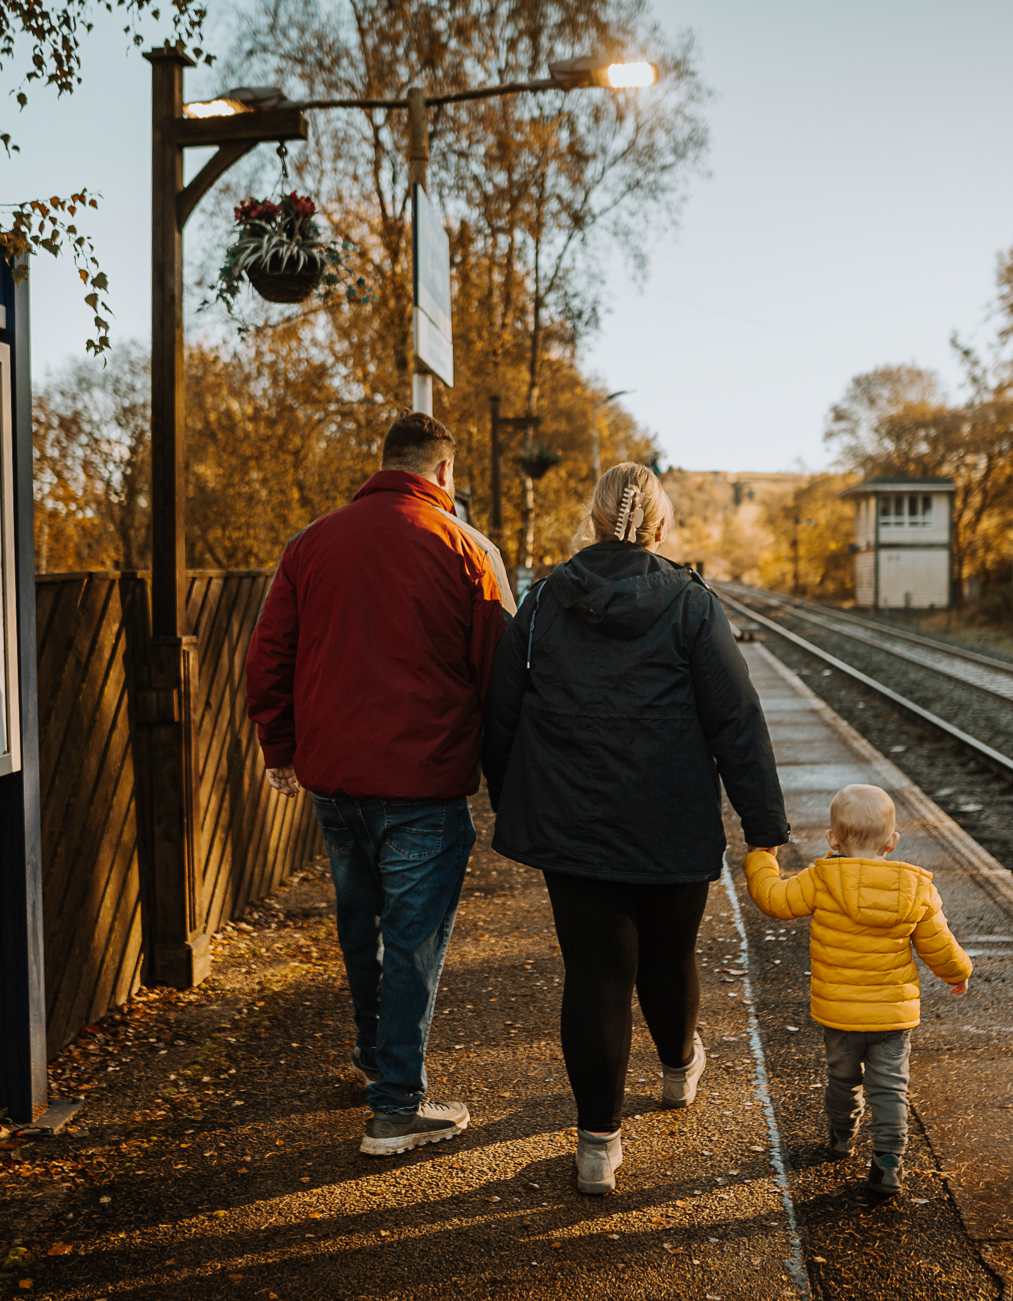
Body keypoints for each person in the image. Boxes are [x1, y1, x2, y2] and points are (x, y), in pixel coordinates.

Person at [482, 462, 788, 1196]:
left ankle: (597, 1150)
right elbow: (736, 720)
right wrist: (763, 826)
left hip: (574, 825)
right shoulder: (691, 604)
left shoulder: (547, 600)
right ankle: (680, 1070)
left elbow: (501, 709)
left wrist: (513, 797)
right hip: (672, 821)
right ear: (659, 525)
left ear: (591, 521)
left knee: (594, 973)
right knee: (667, 954)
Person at [246, 412, 511, 1156]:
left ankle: (374, 1056)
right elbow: (500, 677)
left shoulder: (310, 544)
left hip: (336, 784)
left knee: (360, 922)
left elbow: (268, 657)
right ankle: (396, 1102)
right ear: (445, 473)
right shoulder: (467, 548)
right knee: (414, 941)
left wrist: (281, 747)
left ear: (385, 463)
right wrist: (506, 777)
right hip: (424, 785)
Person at [745, 783, 972, 1195]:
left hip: (841, 1013)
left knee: (842, 1078)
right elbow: (939, 945)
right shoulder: (916, 889)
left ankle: (841, 1136)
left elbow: (775, 900)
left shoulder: (821, 880)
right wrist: (958, 973)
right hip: (892, 1015)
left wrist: (762, 859)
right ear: (892, 841)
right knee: (890, 1087)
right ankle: (887, 1160)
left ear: (833, 839)